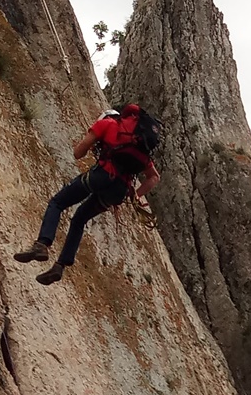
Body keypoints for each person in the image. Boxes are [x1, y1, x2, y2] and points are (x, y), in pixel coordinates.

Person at [13, 104, 160, 285]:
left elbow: (77, 153)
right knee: (79, 219)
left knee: (57, 203)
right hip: (118, 193)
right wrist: (135, 195)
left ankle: (42, 245)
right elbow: (154, 177)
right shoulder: (140, 145)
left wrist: (96, 145)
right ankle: (60, 266)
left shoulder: (107, 125)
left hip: (101, 176)